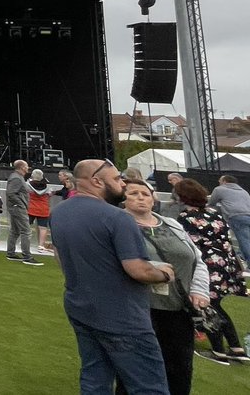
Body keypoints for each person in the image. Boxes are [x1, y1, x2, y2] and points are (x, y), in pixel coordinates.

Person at [51, 159, 173, 394]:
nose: (123, 183)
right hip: (122, 316)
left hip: (81, 308)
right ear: (96, 181)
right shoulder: (118, 218)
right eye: (117, 178)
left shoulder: (58, 212)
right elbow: (137, 269)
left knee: (95, 379)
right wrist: (164, 274)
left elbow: (60, 259)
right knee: (149, 386)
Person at [118, 178, 210, 394]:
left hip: (178, 309)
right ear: (123, 198)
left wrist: (199, 290)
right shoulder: (118, 223)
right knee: (136, 372)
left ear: (153, 199)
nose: (140, 197)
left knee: (179, 370)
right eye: (133, 193)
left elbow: (196, 259)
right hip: (138, 309)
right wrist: (153, 270)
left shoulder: (172, 224)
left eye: (145, 193)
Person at [175, 178, 249, 365]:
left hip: (207, 266)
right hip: (225, 263)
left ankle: (219, 349)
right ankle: (235, 347)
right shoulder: (215, 214)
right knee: (215, 305)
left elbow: (188, 246)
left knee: (208, 306)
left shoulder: (186, 218)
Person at [5, 160, 41, 266]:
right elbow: (11, 193)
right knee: (26, 231)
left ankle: (11, 253)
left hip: (16, 207)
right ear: (22, 167)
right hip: (18, 208)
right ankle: (27, 256)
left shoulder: (17, 177)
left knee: (15, 230)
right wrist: (20, 204)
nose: (28, 168)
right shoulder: (16, 178)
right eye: (26, 166)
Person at [208, 175, 250, 265]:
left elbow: (211, 203)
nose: (219, 183)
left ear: (224, 181)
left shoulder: (219, 189)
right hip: (248, 216)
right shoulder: (244, 191)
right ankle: (241, 256)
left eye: (219, 181)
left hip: (236, 217)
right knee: (246, 240)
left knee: (244, 241)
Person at [28, 169, 53, 253]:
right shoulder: (46, 186)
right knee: (43, 227)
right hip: (43, 208)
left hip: (31, 208)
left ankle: (24, 242)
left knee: (26, 225)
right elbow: (50, 194)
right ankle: (41, 245)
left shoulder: (28, 184)